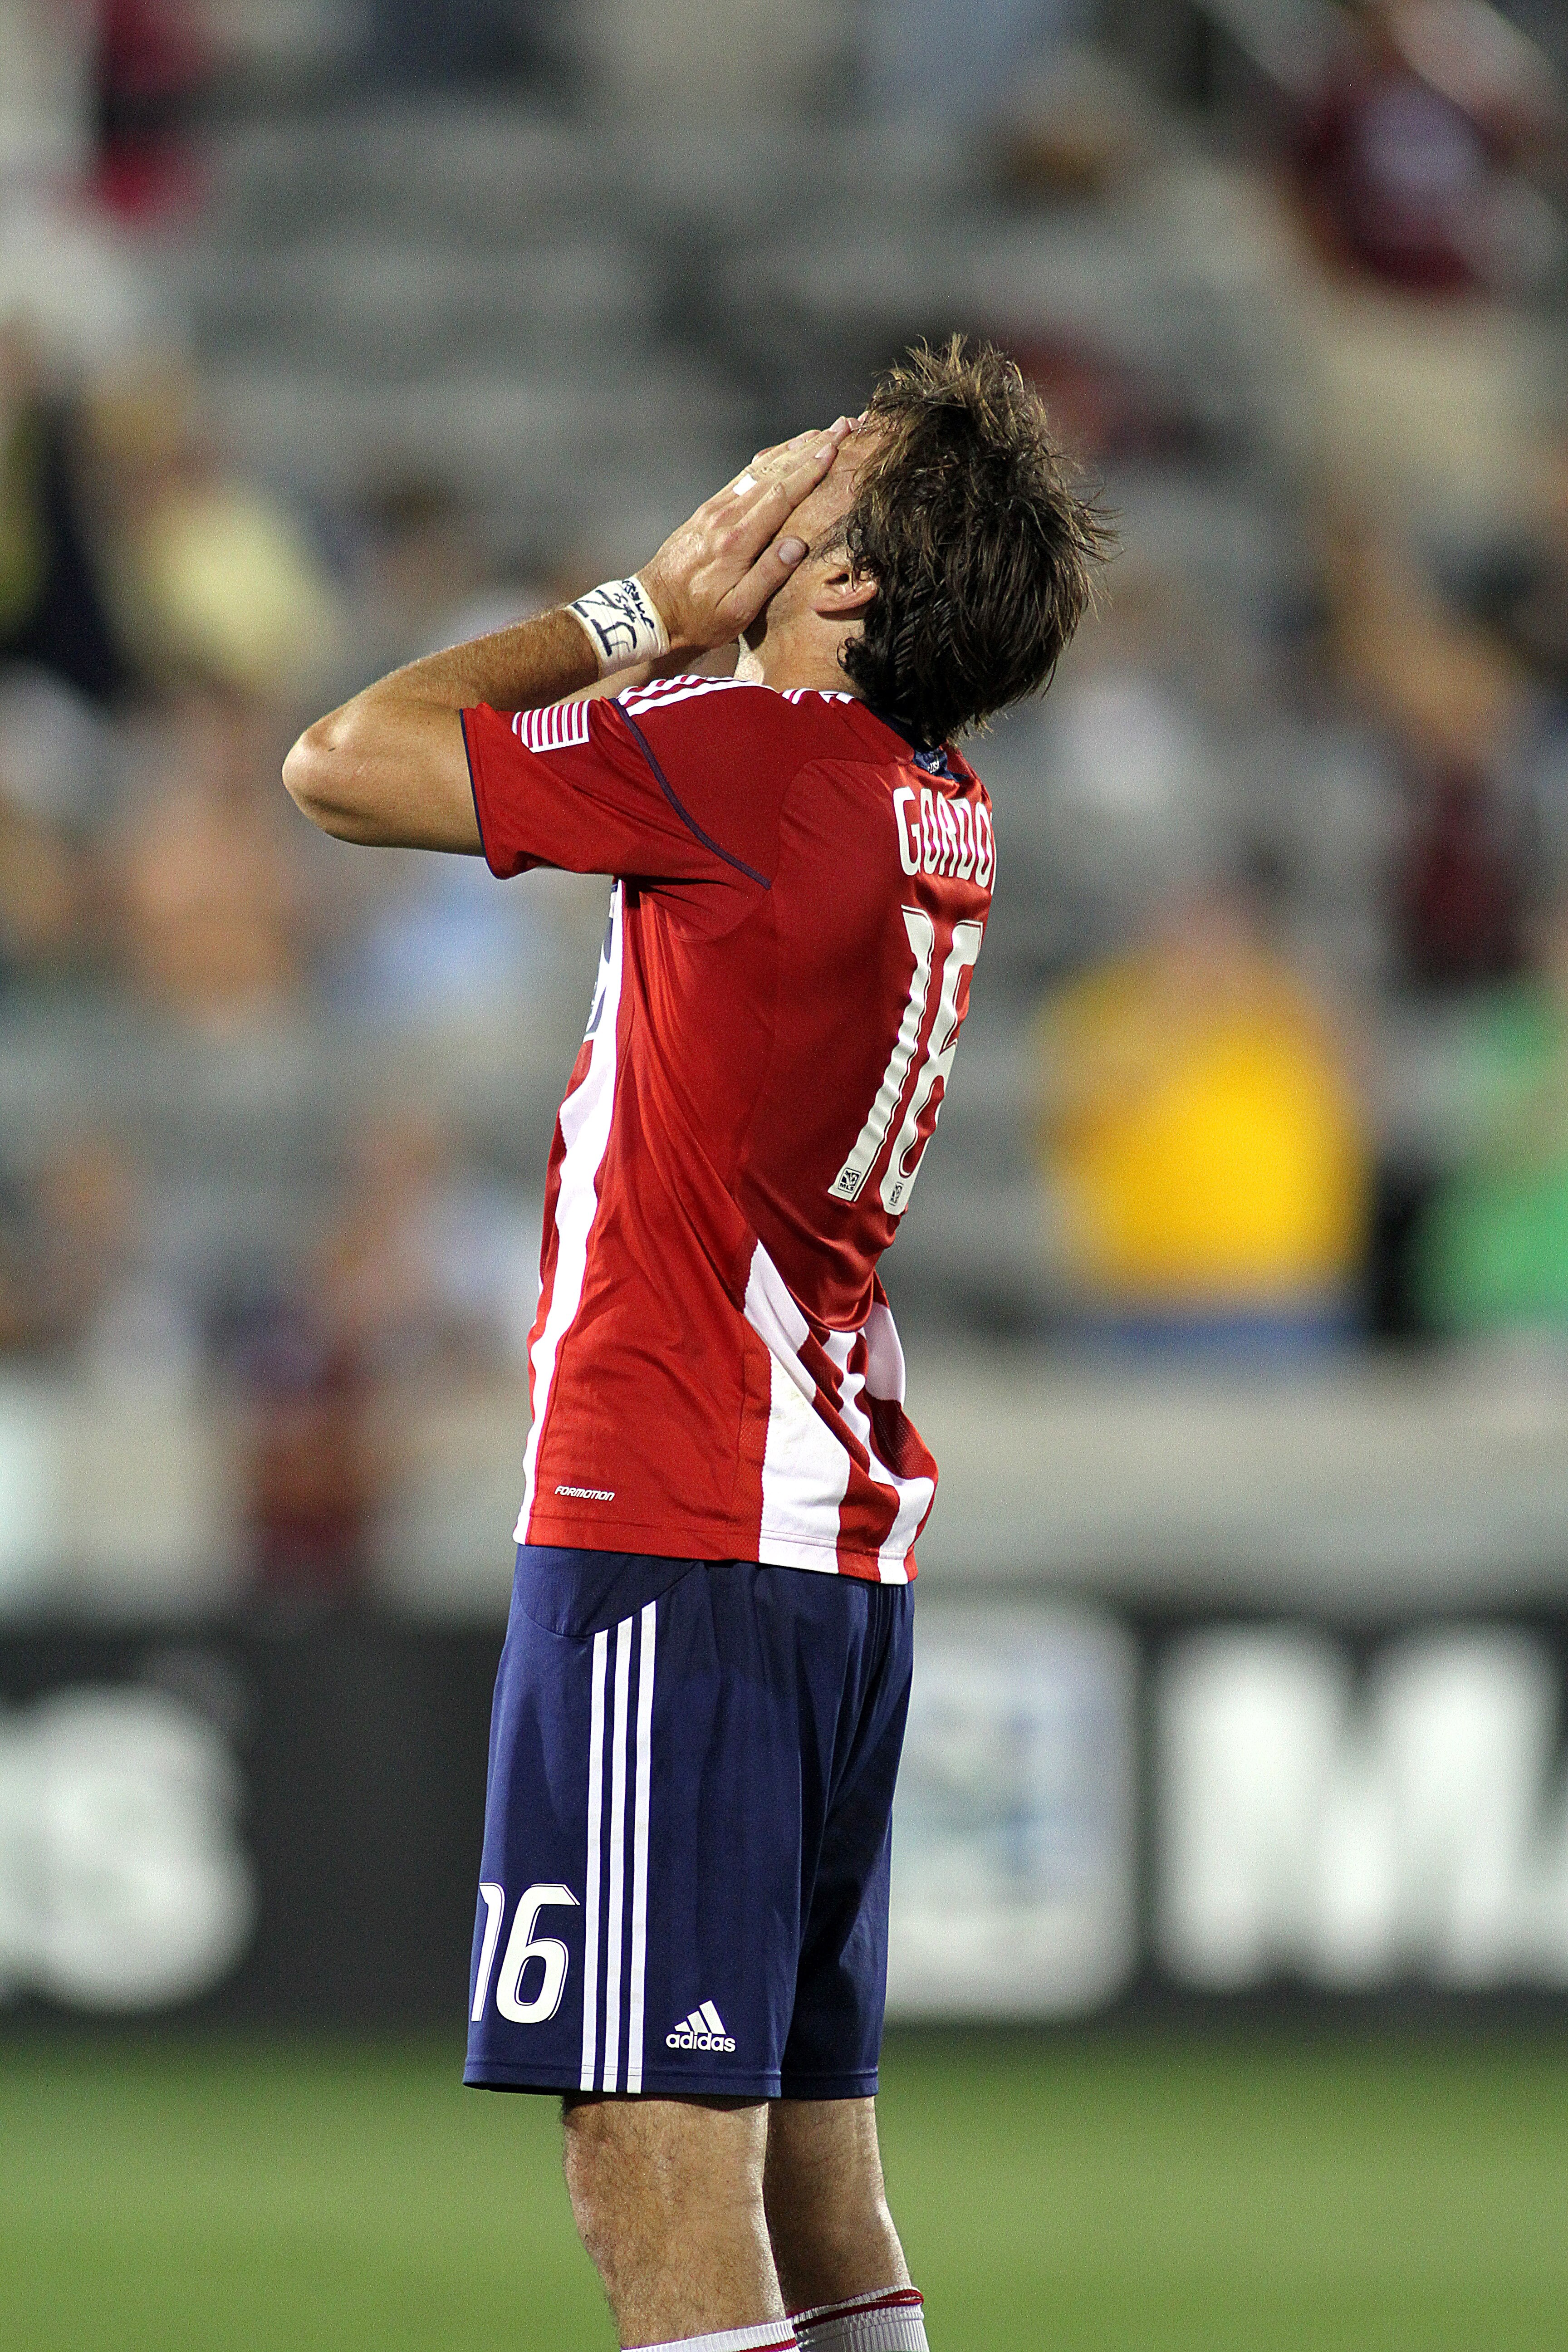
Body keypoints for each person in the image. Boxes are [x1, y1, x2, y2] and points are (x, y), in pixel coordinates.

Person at [284, 339, 1106, 2352]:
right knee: (815, 2164)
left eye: (801, 484)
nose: (757, 490)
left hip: (676, 1520)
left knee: (646, 2146)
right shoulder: (935, 806)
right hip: (818, 1542)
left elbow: (340, 761)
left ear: (844, 590)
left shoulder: (756, 768)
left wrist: (643, 608)